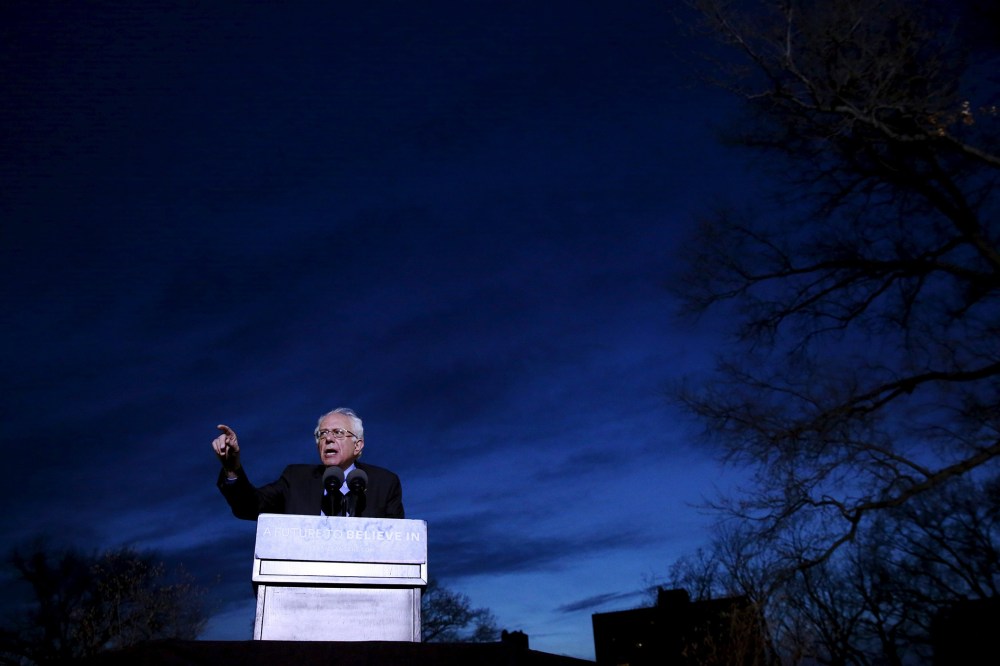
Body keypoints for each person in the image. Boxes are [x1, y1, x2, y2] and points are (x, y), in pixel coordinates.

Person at [212, 407, 404, 519]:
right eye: (323, 434)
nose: (328, 439)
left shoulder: (385, 484)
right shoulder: (295, 479)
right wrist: (231, 468)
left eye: (338, 433)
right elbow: (249, 507)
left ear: (358, 446)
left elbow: (400, 544)